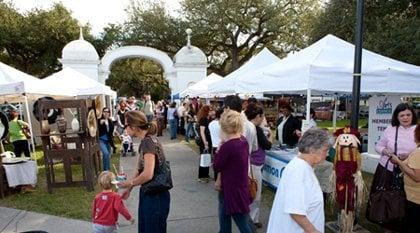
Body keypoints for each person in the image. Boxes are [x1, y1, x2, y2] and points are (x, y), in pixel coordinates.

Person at [267, 128, 331, 233]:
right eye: (325, 150)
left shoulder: (303, 166)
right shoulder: (299, 170)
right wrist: (313, 231)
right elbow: (295, 211)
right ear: (312, 149)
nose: (327, 154)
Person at [118, 110, 171, 233]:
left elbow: (148, 174)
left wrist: (129, 184)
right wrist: (129, 188)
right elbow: (139, 167)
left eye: (127, 125)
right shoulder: (147, 140)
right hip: (151, 193)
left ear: (134, 126)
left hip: (155, 196)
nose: (125, 128)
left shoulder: (148, 142)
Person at [370, 103, 417, 232]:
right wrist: (386, 152)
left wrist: (408, 155)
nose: (405, 118)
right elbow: (378, 146)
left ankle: (403, 226)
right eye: (402, 115)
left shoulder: (418, 129)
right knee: (386, 199)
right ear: (397, 117)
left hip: (409, 172)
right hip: (388, 170)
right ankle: (386, 225)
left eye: (408, 114)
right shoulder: (390, 129)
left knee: (404, 201)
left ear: (413, 115)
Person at [213, 109, 256, 233]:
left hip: (231, 191)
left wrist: (219, 149)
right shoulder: (243, 140)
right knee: (230, 219)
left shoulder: (228, 146)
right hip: (238, 187)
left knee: (242, 224)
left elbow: (217, 166)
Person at [244, 103, 272, 228]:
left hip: (249, 163)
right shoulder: (255, 129)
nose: (262, 119)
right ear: (258, 116)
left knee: (251, 192)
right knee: (255, 193)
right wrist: (271, 135)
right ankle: (252, 220)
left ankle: (250, 218)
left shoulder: (245, 125)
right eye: (262, 116)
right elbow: (265, 145)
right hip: (253, 164)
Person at [390, 123, 420, 233]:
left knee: (413, 226)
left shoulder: (419, 152)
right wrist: (406, 158)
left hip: (416, 199)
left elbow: (416, 176)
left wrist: (398, 162)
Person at [197, 105, 213, 182]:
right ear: (206, 111)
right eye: (210, 110)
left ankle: (206, 174)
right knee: (203, 158)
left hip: (208, 140)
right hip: (204, 141)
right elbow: (202, 132)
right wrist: (205, 142)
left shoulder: (207, 119)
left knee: (207, 158)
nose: (211, 111)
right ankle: (201, 176)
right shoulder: (203, 119)